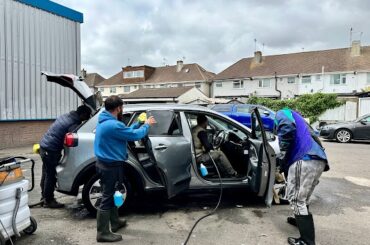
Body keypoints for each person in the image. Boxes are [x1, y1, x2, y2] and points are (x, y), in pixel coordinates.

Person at [94, 95, 156, 243]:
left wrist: (138, 123)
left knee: (111, 192)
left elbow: (126, 132)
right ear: (118, 108)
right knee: (107, 197)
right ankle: (102, 233)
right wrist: (146, 124)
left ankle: (115, 222)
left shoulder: (106, 121)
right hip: (110, 166)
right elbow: (136, 135)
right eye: (122, 107)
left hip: (105, 164)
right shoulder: (112, 125)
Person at [274, 108, 329, 245]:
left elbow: (286, 128)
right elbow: (314, 136)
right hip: (318, 159)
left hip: (304, 158)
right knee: (303, 197)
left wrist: (282, 156)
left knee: (297, 199)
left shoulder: (283, 112)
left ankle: (307, 241)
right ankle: (299, 220)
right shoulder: (301, 121)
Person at [40, 105, 92, 208]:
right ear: (83, 114)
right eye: (87, 116)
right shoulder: (73, 123)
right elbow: (73, 139)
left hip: (44, 146)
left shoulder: (67, 116)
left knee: (46, 173)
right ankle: (49, 200)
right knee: (50, 175)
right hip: (51, 150)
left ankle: (44, 197)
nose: (87, 118)